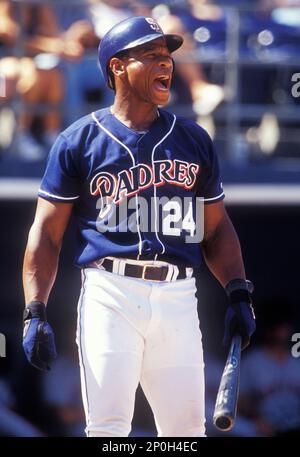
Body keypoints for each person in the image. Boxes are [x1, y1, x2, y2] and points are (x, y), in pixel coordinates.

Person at [22, 16, 255, 437]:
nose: (165, 64)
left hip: (179, 293)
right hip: (111, 292)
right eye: (151, 56)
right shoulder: (79, 139)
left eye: (167, 56)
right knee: (108, 428)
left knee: (186, 432)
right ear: (117, 67)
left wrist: (238, 291)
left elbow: (216, 228)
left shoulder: (193, 139)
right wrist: (34, 309)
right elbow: (46, 232)